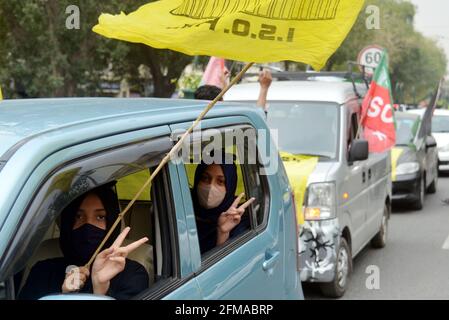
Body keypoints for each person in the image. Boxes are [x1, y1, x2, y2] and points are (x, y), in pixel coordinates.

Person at [19, 184, 149, 300]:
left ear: (112, 222)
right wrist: (65, 297)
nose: (88, 225)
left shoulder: (132, 274)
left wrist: (100, 292)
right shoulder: (43, 271)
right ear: (67, 222)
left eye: (100, 217)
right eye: (78, 216)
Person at [192, 155, 255, 254]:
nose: (211, 187)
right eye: (205, 178)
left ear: (230, 186)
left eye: (220, 181)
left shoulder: (236, 219)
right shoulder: (180, 205)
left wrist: (223, 233)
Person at [194, 68, 273, 115]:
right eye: (222, 100)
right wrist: (264, 88)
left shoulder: (190, 122)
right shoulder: (226, 125)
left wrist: (224, 84)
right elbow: (259, 118)